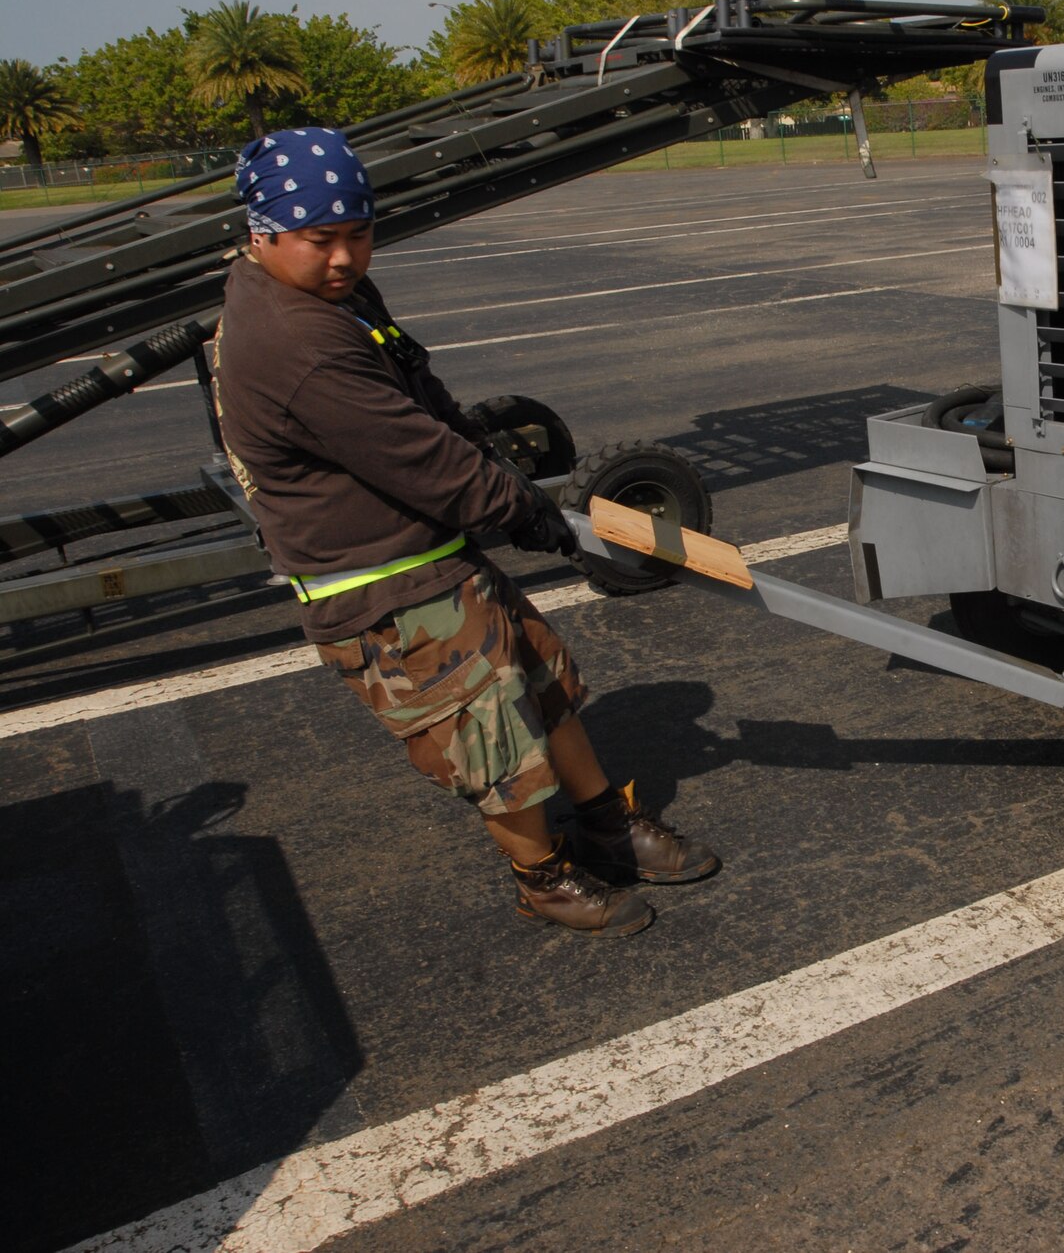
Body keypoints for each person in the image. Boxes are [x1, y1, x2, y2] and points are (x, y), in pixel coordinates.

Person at [210, 127, 718, 938]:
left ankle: (607, 825)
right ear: (263, 233)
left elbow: (421, 397)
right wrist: (528, 515)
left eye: (358, 234)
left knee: (545, 685)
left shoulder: (331, 299)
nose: (343, 257)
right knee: (494, 739)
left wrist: (497, 472)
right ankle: (542, 877)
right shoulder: (293, 339)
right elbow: (420, 460)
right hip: (378, 581)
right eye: (320, 239)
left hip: (429, 554)